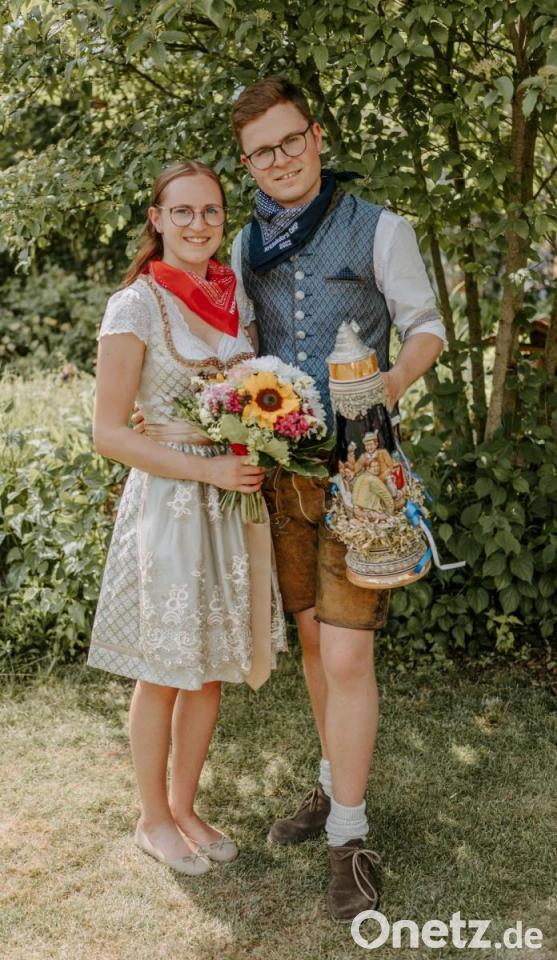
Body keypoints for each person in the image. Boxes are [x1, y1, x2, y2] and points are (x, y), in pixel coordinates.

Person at [229, 76, 447, 921]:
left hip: (361, 470)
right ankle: (330, 784)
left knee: (349, 654)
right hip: (285, 472)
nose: (280, 159)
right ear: (247, 163)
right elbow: (241, 347)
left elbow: (425, 325)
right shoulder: (243, 244)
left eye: (290, 140)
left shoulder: (380, 227)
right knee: (316, 646)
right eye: (261, 151)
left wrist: (387, 383)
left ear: (315, 137)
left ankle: (349, 839)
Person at [87, 160, 287, 878]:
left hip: (228, 506)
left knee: (208, 670)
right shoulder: (134, 305)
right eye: (183, 211)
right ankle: (151, 819)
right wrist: (207, 469)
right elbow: (109, 434)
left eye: (210, 212)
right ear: (157, 218)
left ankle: (184, 806)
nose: (198, 224)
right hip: (172, 504)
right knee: (164, 671)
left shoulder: (236, 300)